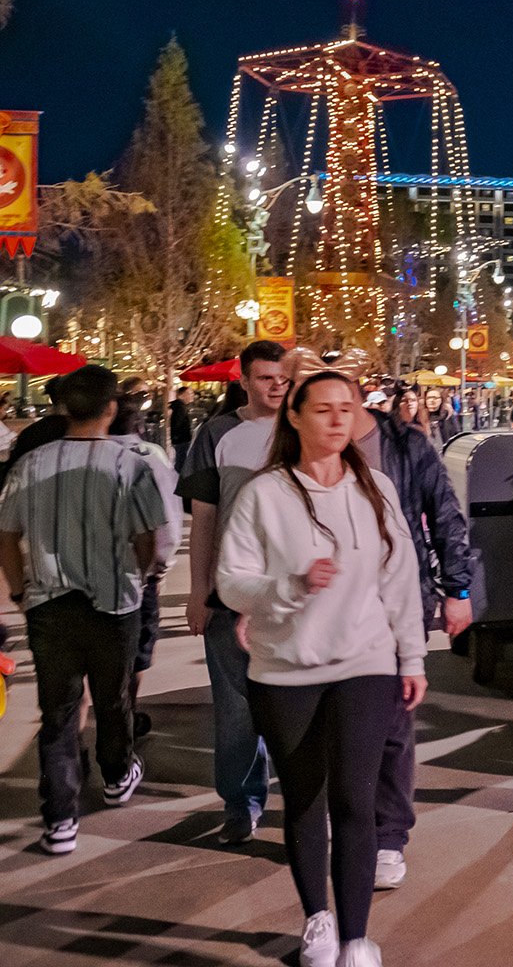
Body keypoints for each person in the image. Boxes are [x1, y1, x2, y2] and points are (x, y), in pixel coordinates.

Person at [216, 371, 427, 967]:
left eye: (348, 408)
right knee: (305, 800)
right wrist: (290, 586)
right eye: (324, 409)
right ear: (296, 418)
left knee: (357, 800)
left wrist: (410, 657)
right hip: (284, 670)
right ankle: (319, 922)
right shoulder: (265, 494)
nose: (338, 420)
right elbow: (231, 582)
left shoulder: (377, 489)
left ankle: (358, 936)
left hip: (365, 663)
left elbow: (400, 580)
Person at [0, 365, 166, 856]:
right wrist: (140, 573)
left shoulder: (30, 464)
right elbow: (149, 540)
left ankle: (59, 820)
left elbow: (6, 533)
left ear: (65, 406)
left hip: (48, 604)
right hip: (114, 603)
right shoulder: (131, 463)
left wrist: (17, 591)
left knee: (58, 712)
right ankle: (117, 775)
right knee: (113, 698)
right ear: (111, 409)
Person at [345, 380, 477, 891]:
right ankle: (350, 815)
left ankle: (388, 836)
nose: (332, 418)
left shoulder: (405, 444)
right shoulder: (304, 451)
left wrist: (457, 588)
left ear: (356, 399)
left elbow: (445, 515)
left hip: (400, 601)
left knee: (395, 723)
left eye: (341, 404)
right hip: (330, 610)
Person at [180, 339, 291, 845]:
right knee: (236, 710)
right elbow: (204, 519)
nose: (276, 387)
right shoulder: (218, 433)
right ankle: (241, 804)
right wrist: (197, 589)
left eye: (283, 378)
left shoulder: (304, 426)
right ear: (242, 379)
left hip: (296, 596)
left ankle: (309, 808)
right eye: (265, 378)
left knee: (301, 707)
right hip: (231, 592)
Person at [109, 380, 183, 742]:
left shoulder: (83, 455)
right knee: (136, 653)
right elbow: (166, 522)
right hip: (139, 577)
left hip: (89, 577)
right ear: (138, 425)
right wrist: (160, 567)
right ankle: (127, 715)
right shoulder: (150, 457)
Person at [169, 385, 194, 474]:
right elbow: (177, 423)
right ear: (181, 395)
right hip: (181, 440)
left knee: (179, 461)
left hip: (179, 439)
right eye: (189, 393)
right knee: (181, 462)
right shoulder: (180, 407)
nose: (192, 395)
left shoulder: (177, 405)